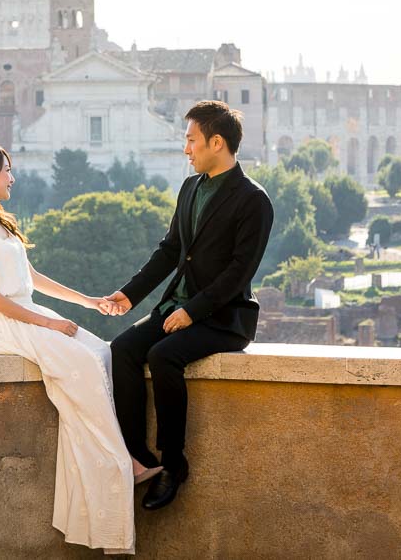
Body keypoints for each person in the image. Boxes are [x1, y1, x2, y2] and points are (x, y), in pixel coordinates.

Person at [0, 142, 156, 555]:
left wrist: (88, 301)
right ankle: (124, 464)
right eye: (6, 170)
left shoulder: (1, 224)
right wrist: (51, 324)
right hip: (6, 324)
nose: (12, 177)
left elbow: (34, 278)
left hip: (28, 313)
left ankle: (113, 464)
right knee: (80, 366)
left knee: (101, 354)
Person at [102, 100, 275, 511]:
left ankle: (174, 466)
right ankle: (139, 458)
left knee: (163, 357)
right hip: (176, 305)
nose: (186, 149)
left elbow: (238, 272)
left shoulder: (254, 200)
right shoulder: (190, 188)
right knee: (122, 350)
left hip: (224, 317)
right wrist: (129, 294)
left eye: (191, 141)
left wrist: (192, 311)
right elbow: (170, 251)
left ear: (217, 142)